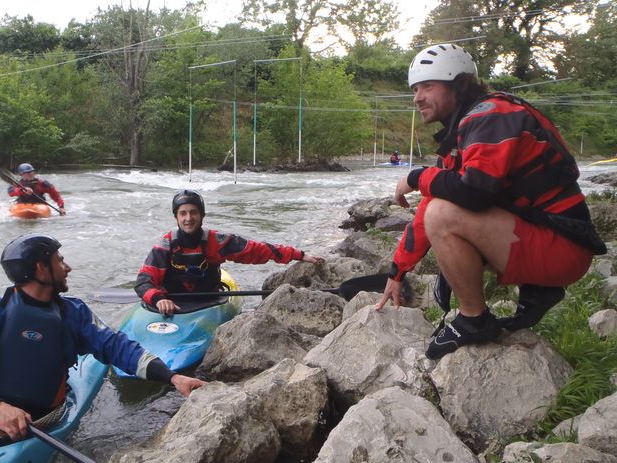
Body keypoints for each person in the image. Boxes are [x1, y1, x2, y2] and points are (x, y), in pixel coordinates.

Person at [375, 43, 605, 360]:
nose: (417, 98)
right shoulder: (470, 126)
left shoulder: (490, 116)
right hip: (550, 239)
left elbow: (473, 193)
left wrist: (416, 177)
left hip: (563, 248)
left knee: (443, 214)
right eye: (415, 89)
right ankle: (537, 288)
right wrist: (397, 272)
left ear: (458, 85)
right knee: (438, 208)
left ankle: (474, 321)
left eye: (427, 86)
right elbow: (429, 207)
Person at [0, 234, 206, 441]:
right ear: (40, 268)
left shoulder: (73, 313)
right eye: (59, 261)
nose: (68, 267)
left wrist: (173, 377)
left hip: (41, 419)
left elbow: (117, 348)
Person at [135, 190, 324, 315]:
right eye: (183, 213)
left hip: (208, 303)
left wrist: (298, 254)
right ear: (176, 217)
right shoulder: (165, 245)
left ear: (202, 215)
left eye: (194, 212)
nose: (188, 218)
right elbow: (144, 281)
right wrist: (158, 299)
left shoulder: (217, 241)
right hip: (172, 304)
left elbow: (258, 250)